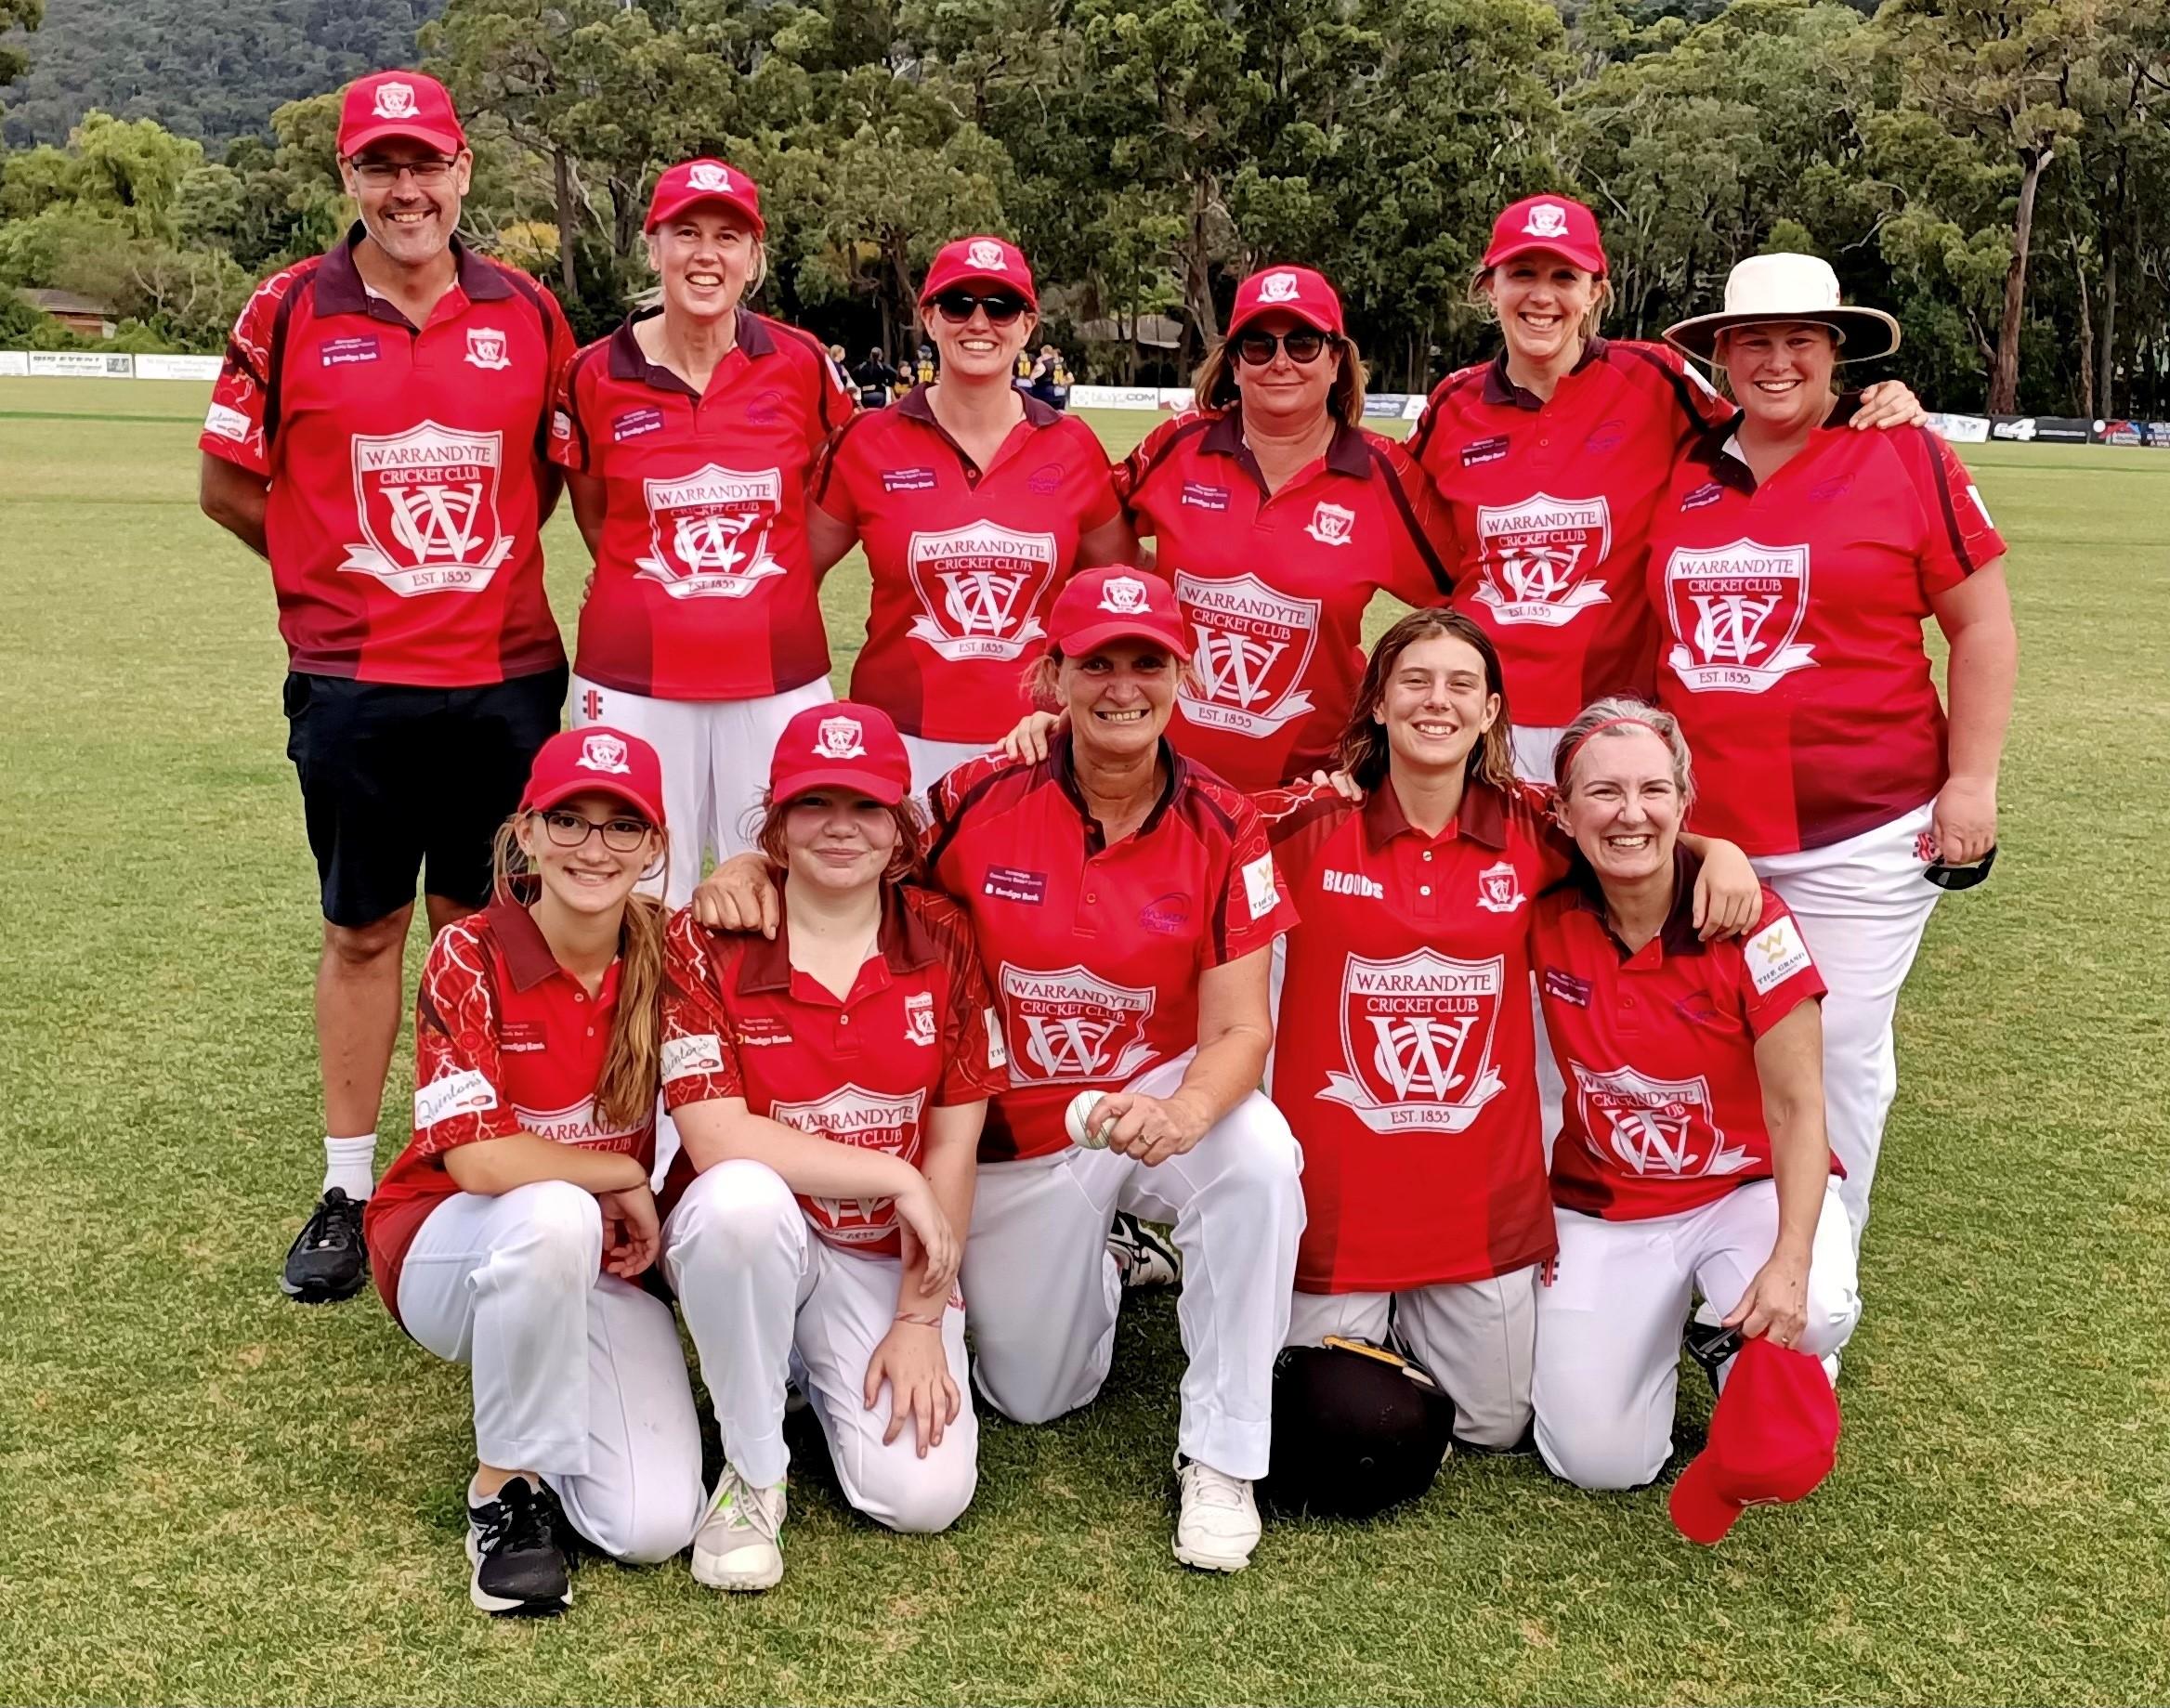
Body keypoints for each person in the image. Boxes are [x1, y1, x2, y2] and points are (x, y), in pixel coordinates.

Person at [695, 567, 1307, 1572]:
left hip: (1148, 1101)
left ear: (1181, 675)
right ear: (1048, 675)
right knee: (1035, 1392)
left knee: (1257, 1156)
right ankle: (1106, 1261)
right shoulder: (978, 792)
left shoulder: (1223, 821)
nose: (1121, 686)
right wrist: (742, 868)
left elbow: (1241, 1027)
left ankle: (1223, 1455)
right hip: (1015, 1138)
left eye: (1145, 662)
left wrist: (1190, 1109)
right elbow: (851, 846)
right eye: (1093, 663)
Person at [198, 69, 576, 1307]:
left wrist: (463, 574)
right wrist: (334, 578)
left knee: (487, 930)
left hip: (507, 676)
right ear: (349, 178)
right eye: (380, 166)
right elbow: (227, 482)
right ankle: (349, 1184)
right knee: (364, 928)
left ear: (464, 171)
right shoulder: (289, 308)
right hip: (356, 682)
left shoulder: (525, 309)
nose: (405, 188)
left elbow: (548, 478)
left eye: (426, 164)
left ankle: (468, 1155)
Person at [1259, 611, 1763, 1452]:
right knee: (1324, 1402)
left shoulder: (1533, 824)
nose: (1437, 701)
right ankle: (1375, 1339)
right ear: (1378, 704)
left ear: (1492, 711)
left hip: (1474, 1205)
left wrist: (1720, 851)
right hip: (1338, 1206)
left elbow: (1630, 834)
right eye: (1414, 681)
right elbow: (1178, 829)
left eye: (1462, 685)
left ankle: (1413, 1338)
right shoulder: (1310, 821)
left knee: (1494, 1425)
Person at [1649, 253, 2017, 1248]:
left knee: (1832, 1051)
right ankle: (1711, 1258)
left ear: (1834, 354)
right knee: (1696, 1045)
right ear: (1719, 355)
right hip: (1698, 835)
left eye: (1799, 342)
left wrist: (1970, 783)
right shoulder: (1678, 468)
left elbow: (1979, 628)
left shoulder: (1904, 456)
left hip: (1863, 832)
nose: (1776, 362)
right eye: (1753, 342)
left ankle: (1811, 1287)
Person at [659, 702, 1002, 1590]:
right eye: (814, 804)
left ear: (900, 828)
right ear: (775, 823)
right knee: (741, 1201)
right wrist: (894, 1172)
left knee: (922, 1496)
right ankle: (751, 1471)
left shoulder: (948, 934)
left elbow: (957, 1139)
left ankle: (807, 1367)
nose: (840, 828)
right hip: (757, 1231)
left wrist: (921, 1317)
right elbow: (716, 1134)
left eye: (866, 805)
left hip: (877, 1253)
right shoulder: (705, 937)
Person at [1404, 195, 1923, 782]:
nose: (1542, 296)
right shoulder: (1453, 404)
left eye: (1564, 277)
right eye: (1522, 274)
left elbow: (1766, 423)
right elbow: (1404, 528)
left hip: (1617, 720)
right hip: (1482, 719)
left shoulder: (1654, 378)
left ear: (1595, 291)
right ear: (1489, 286)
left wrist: (1863, 403)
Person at [361, 727, 703, 1614]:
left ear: (657, 846)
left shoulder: (677, 952)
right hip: (453, 1247)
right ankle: (503, 1491)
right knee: (553, 1207)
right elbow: (476, 1159)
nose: (595, 848)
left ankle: (557, 1424)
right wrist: (617, 1177)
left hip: (598, 1260)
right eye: (571, 821)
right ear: (527, 833)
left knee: (652, 1526)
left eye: (623, 827)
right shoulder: (471, 949)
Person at [1528, 699, 1861, 1490]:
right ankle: (1685, 1331)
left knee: (1809, 1306)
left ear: (1684, 802)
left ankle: (1728, 1333)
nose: (1630, 813)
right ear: (1563, 811)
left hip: (1737, 1189)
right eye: (1603, 793)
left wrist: (1789, 1258)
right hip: (1606, 1199)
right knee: (1599, 1461)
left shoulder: (1756, 924)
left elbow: (1798, 1106)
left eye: (1654, 791)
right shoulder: (1541, 905)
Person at [1005, 267, 1455, 793]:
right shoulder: (1180, 445)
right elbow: (1085, 533)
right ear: (1235, 365)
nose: (1281, 362)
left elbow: (1458, 603)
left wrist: (1392, 720)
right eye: (1259, 346)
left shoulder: (1385, 474)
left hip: (1312, 789)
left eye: (1304, 344)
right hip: (1161, 779)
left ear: (1336, 360)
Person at [552, 156, 854, 907]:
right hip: (632, 679)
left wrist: (766, 583)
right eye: (686, 233)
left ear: (754, 257)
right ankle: (649, 1033)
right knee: (636, 893)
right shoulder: (593, 373)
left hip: (780, 675)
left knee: (785, 883)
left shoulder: (801, 363)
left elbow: (836, 493)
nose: (705, 254)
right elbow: (596, 513)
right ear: (653, 247)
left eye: (728, 236)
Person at [808, 237, 1132, 791]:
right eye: (958, 305)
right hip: (897, 741)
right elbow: (794, 573)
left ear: (1028, 326)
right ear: (929, 319)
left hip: (1034, 744)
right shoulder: (868, 441)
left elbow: (1123, 587)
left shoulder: (1072, 446)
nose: (979, 322)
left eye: (1000, 307)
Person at [852, 345, 899, 411]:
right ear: (880, 355)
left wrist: (860, 386)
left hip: (864, 398)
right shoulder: (884, 366)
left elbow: (853, 373)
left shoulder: (861, 366)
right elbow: (896, 374)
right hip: (880, 396)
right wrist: (887, 383)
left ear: (870, 354)